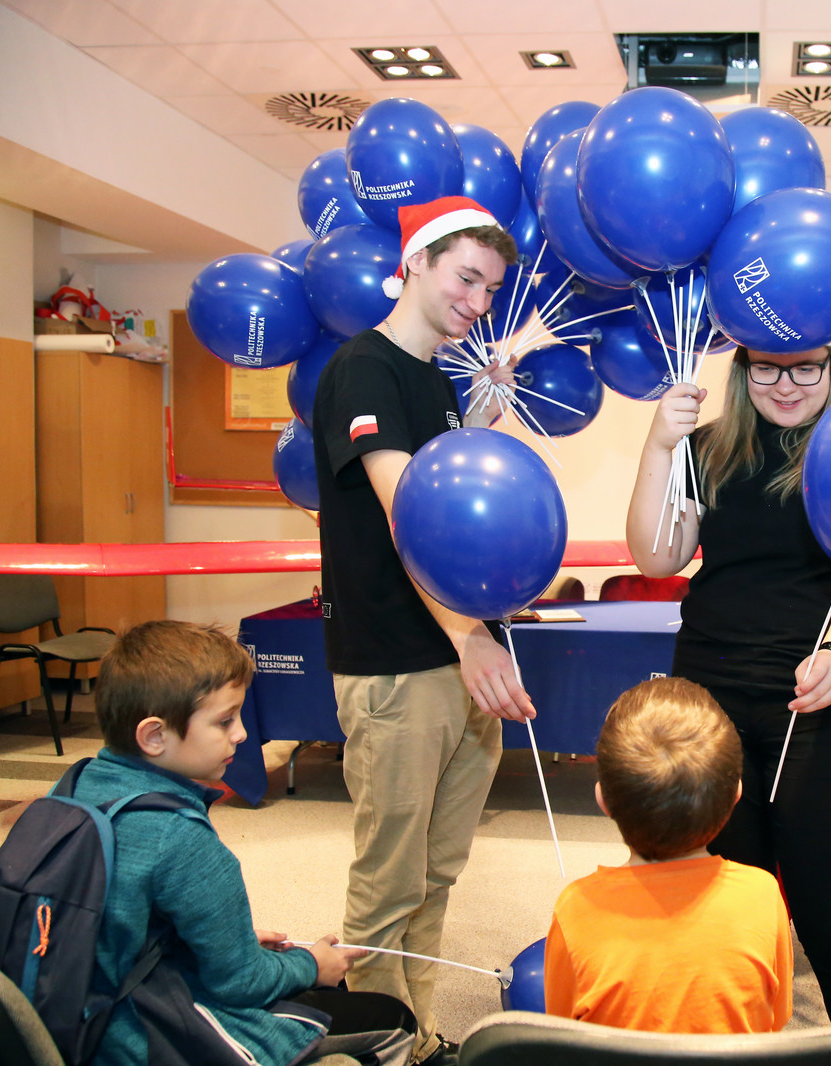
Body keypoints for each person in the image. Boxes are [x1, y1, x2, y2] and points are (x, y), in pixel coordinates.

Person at [311, 195, 535, 1065]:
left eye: (490, 289)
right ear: (414, 263)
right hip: (399, 664)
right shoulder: (362, 370)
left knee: (436, 875)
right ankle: (380, 1048)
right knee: (388, 885)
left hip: (454, 655)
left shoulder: (433, 379)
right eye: (465, 278)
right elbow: (412, 517)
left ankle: (417, 1036)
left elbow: (447, 486)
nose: (478, 302)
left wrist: (482, 410)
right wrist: (471, 636)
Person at [625, 344, 831, 1023]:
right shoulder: (710, 449)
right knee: (720, 897)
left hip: (816, 702)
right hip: (709, 704)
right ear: (743, 371)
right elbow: (657, 556)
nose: (786, 385)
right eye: (767, 369)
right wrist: (659, 446)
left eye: (806, 368)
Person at [77, 620, 417, 1066]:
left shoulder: (78, 787)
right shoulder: (182, 838)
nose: (240, 734)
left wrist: (225, 940)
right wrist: (313, 965)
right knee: (392, 1020)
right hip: (137, 1036)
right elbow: (240, 983)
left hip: (78, 1012)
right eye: (224, 721)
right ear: (154, 736)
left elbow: (118, 916)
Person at [543, 677, 793, 1033]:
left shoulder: (577, 906)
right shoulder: (763, 894)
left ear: (603, 800)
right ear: (736, 795)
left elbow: (562, 1032)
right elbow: (775, 1018)